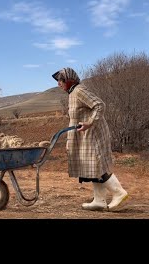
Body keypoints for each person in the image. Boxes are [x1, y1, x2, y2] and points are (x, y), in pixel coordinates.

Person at [52, 67, 129, 211]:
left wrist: (90, 122)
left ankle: (119, 193)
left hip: (93, 135)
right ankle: (99, 200)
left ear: (69, 80)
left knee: (97, 165)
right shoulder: (72, 93)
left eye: (61, 81)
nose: (58, 84)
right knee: (92, 167)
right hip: (84, 136)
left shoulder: (79, 90)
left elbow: (99, 105)